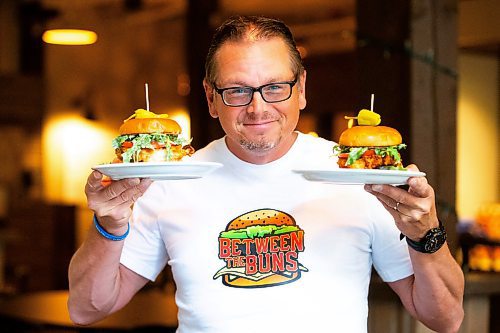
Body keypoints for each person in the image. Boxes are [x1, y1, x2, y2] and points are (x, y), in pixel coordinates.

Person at [68, 15, 464, 333]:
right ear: (210, 97)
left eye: (275, 87)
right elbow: (87, 309)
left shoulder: (361, 179)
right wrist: (109, 223)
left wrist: (424, 230)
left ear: (302, 89)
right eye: (238, 91)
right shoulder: (167, 180)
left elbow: (445, 319)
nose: (258, 109)